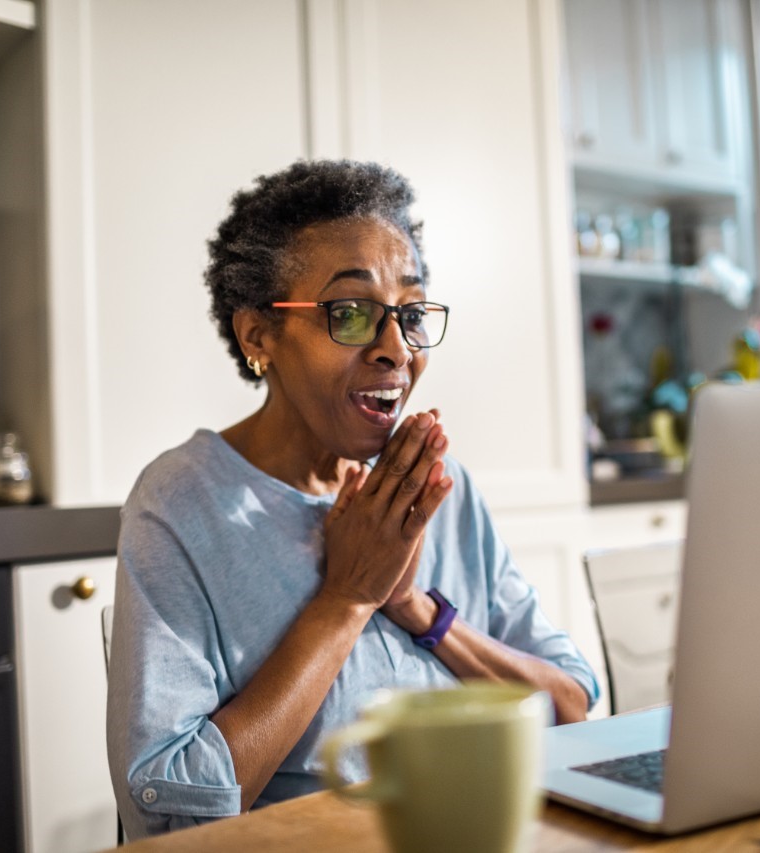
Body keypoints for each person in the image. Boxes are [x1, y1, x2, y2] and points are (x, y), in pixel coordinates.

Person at [107, 159, 599, 839]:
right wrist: (349, 598)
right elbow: (167, 808)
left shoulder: (436, 483)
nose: (396, 348)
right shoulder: (182, 503)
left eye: (412, 314)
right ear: (259, 336)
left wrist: (418, 609)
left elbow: (573, 707)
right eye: (351, 313)